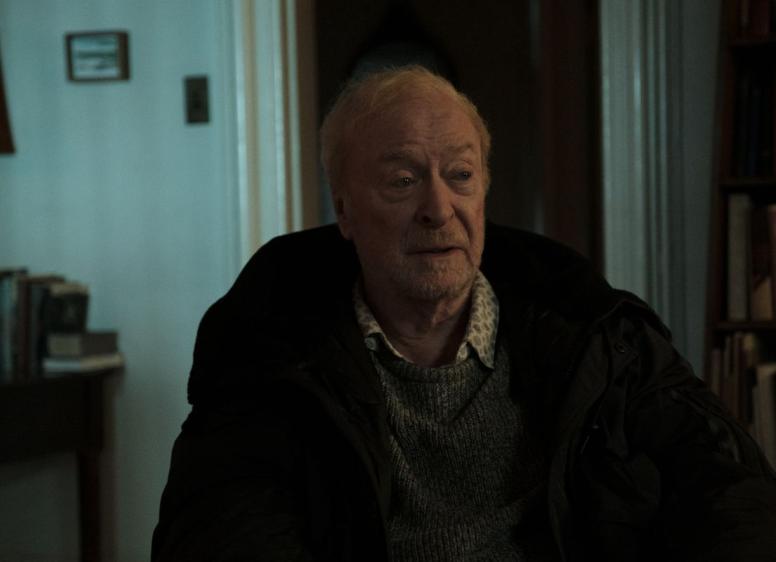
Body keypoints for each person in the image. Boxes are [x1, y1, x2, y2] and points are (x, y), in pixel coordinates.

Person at [152, 66, 776, 561]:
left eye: (460, 175)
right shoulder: (270, 355)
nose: (438, 207)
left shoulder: (595, 333)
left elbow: (730, 487)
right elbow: (221, 534)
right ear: (344, 211)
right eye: (402, 180)